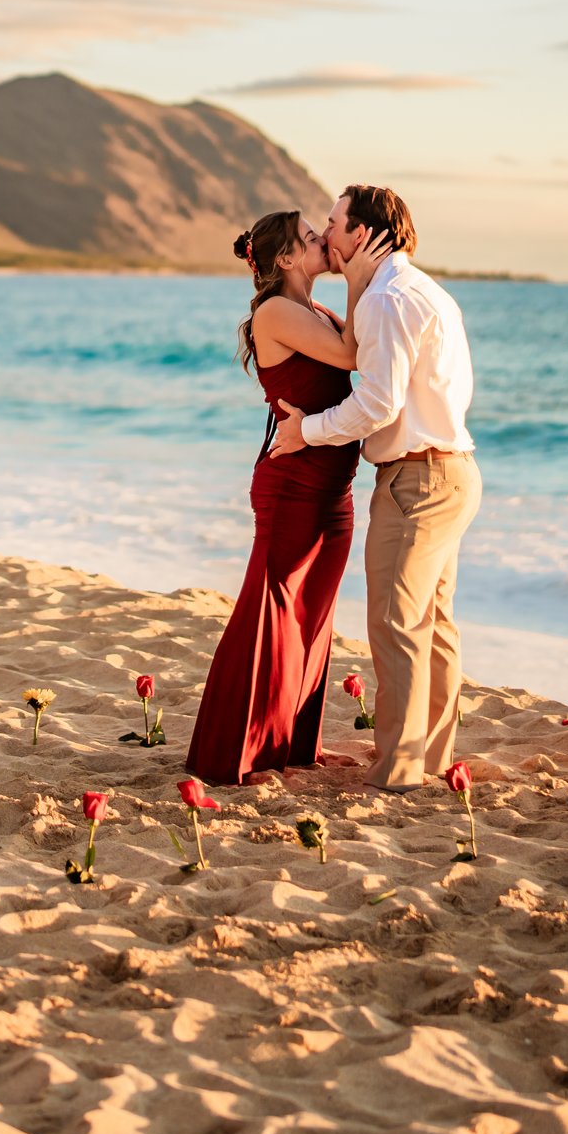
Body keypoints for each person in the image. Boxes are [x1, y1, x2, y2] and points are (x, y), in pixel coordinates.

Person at [268, 185, 478, 792]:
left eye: (333, 224)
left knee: (395, 625)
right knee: (433, 624)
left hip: (418, 479)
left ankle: (400, 771)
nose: (327, 235)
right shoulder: (419, 289)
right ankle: (431, 759)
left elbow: (378, 404)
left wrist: (308, 431)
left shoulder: (387, 300)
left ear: (360, 234)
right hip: (452, 470)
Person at [185, 209, 364, 785]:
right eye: (313, 239)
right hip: (293, 486)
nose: (324, 242)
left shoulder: (312, 309)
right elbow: (349, 357)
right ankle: (239, 751)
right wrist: (361, 274)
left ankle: (288, 745)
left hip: (332, 487)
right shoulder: (276, 311)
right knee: (272, 613)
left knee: (311, 617)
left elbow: (354, 352)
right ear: (286, 259)